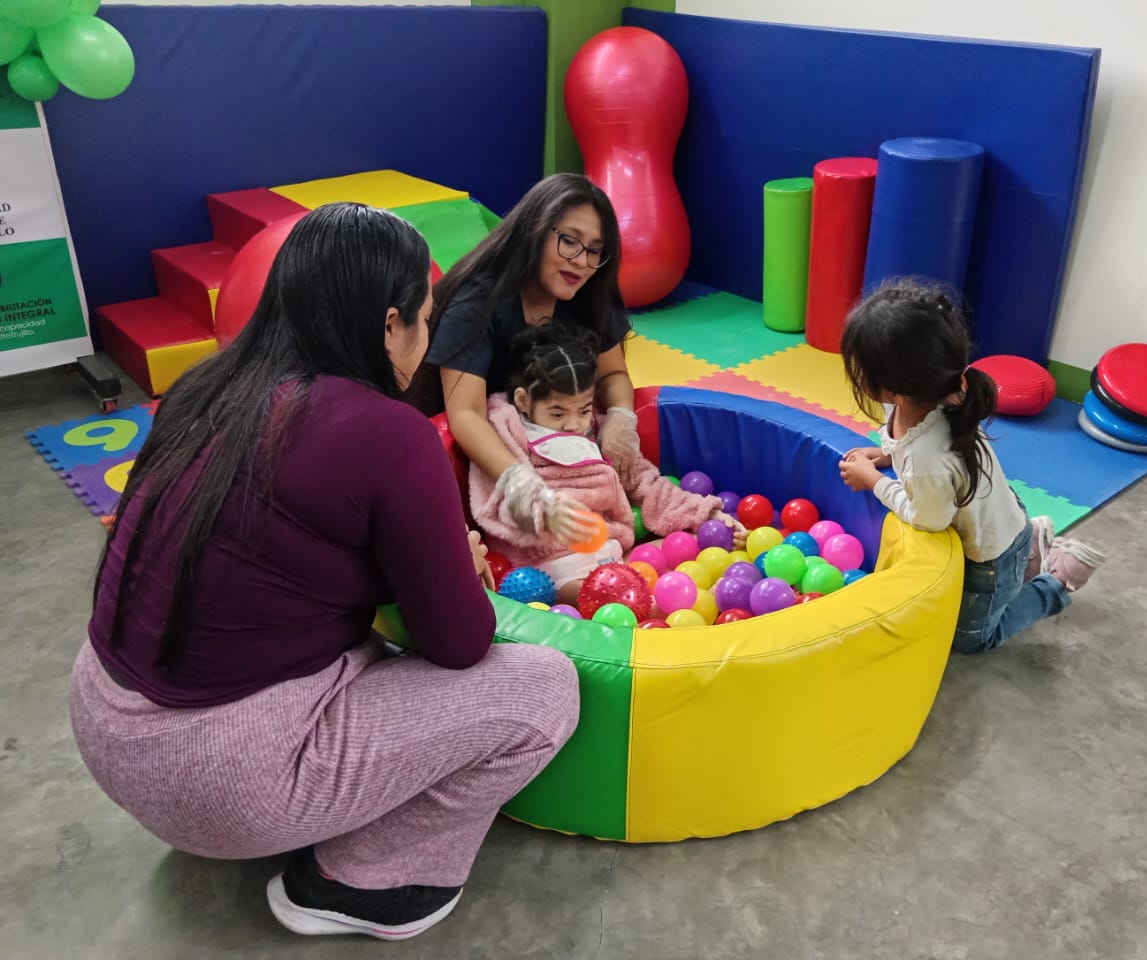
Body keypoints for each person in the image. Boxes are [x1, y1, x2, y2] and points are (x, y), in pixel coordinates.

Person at [68, 203, 579, 941]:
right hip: (216, 780)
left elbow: (266, 553)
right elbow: (461, 643)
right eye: (424, 320)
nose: (426, 343)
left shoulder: (201, 388)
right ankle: (362, 879)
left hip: (102, 723)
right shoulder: (388, 432)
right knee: (543, 691)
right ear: (388, 325)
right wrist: (453, 571)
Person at [837, 280, 1106, 653]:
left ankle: (1057, 577)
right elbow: (912, 449)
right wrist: (884, 457)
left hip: (992, 556)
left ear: (894, 386)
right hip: (999, 516)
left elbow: (928, 518)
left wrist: (874, 482)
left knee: (973, 640)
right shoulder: (933, 396)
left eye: (859, 367)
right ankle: (1033, 546)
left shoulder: (927, 456)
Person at [408, 173, 638, 546]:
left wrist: (621, 418)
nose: (581, 262)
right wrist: (523, 484)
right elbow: (465, 414)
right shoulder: (478, 301)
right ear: (534, 229)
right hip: (468, 449)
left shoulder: (589, 292)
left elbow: (613, 373)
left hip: (548, 437)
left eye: (595, 250)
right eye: (569, 242)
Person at [470, 323, 746, 603]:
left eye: (584, 410)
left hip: (610, 552)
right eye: (557, 414)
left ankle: (706, 596)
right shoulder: (508, 435)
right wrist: (545, 509)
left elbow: (644, 481)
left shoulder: (596, 433)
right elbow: (501, 500)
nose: (573, 424)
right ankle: (689, 604)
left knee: (692, 544)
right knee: (614, 599)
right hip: (553, 566)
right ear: (523, 400)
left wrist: (704, 514)